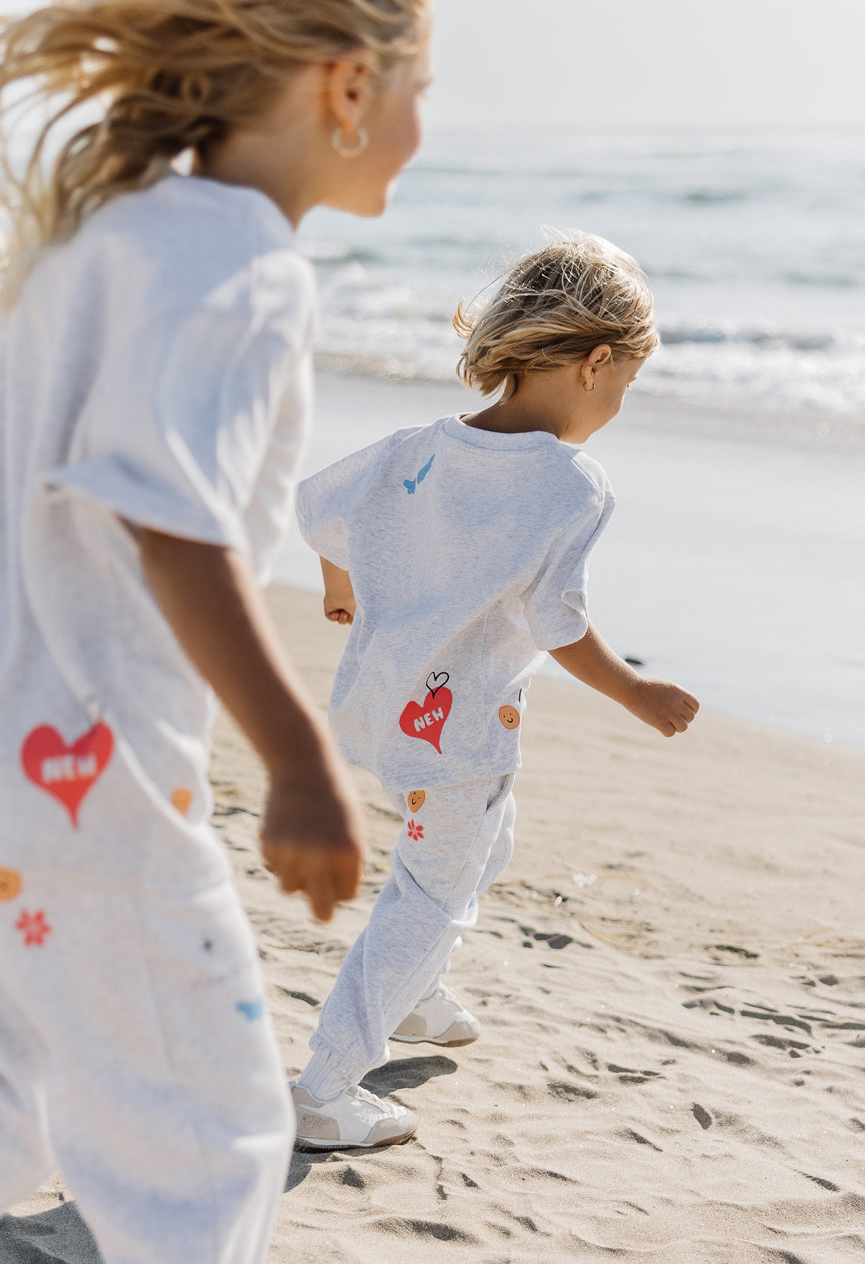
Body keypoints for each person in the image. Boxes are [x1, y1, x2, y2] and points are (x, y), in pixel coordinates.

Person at [0, 0, 435, 1261]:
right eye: (425, 88)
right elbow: (173, 526)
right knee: (216, 1133)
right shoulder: (243, 263)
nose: (428, 127)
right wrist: (301, 757)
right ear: (348, 89)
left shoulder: (100, 233)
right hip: (89, 779)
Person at [292, 233, 700, 1150]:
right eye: (626, 385)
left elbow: (319, 510)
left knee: (477, 847)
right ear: (595, 362)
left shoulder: (413, 448)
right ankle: (324, 1087)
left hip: (383, 707)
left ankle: (419, 995)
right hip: (460, 734)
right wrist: (635, 692)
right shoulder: (569, 486)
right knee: (430, 894)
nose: (620, 405)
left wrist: (340, 586)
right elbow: (558, 621)